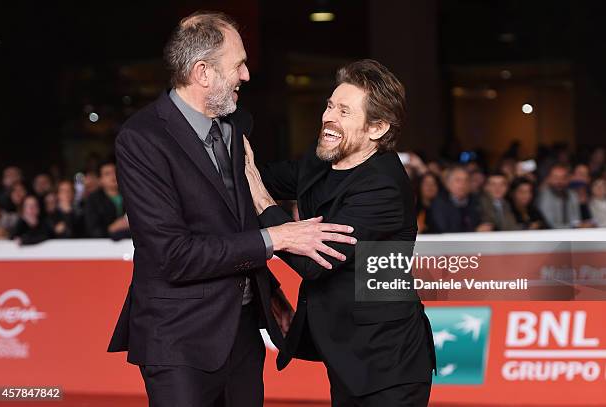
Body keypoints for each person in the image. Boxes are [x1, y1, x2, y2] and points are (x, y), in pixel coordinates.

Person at [107, 11, 355, 407]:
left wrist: (268, 291)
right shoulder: (142, 139)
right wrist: (275, 238)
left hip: (241, 334)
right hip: (179, 340)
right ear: (202, 72)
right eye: (238, 65)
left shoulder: (235, 124)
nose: (246, 76)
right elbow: (172, 255)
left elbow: (234, 220)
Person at [245, 59, 435, 406]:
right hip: (345, 354)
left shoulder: (383, 188)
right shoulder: (324, 159)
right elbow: (260, 177)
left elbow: (315, 260)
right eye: (330, 105)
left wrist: (260, 199)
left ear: (376, 128)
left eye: (344, 111)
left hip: (388, 364)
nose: (328, 117)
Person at [428, 166, 488, 233]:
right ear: (448, 184)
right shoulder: (439, 204)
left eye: (466, 180)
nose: (462, 184)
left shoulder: (476, 201)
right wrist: (474, 232)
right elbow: (443, 230)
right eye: (458, 180)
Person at [84, 160, 131, 239]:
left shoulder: (131, 196)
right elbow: (92, 230)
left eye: (115, 171)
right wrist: (112, 228)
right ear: (100, 180)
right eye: (107, 174)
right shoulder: (92, 200)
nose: (113, 176)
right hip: (103, 247)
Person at [537, 164, 591, 229]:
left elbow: (576, 219)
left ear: (568, 179)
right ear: (549, 179)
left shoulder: (572, 194)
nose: (559, 181)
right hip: (549, 236)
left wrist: (581, 225)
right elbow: (550, 224)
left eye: (563, 177)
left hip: (572, 235)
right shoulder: (544, 196)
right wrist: (575, 226)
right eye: (556, 177)